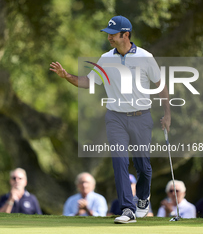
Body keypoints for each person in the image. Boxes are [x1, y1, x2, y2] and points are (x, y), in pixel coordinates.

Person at [50, 15, 170, 223]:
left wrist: (167, 114)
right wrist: (67, 76)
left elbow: (160, 85)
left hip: (141, 117)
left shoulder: (145, 57)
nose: (109, 38)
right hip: (115, 117)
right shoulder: (106, 58)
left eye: (113, 34)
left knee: (143, 166)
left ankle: (143, 198)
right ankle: (128, 210)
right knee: (119, 162)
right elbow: (88, 81)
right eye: (108, 34)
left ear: (126, 35)